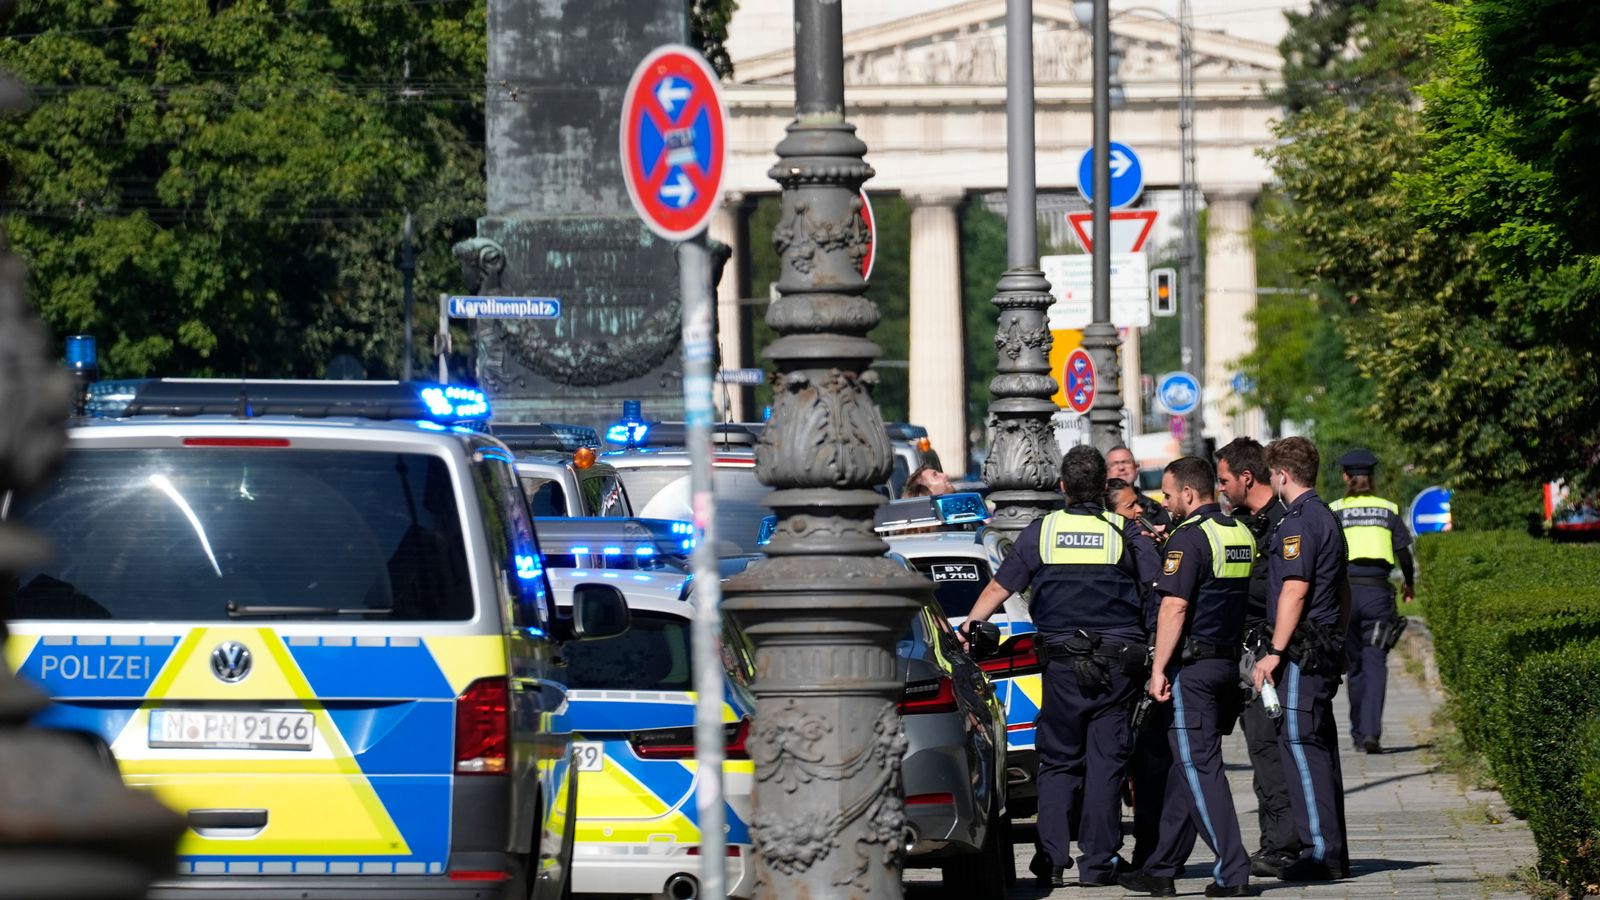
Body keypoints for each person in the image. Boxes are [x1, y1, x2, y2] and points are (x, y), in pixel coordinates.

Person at [960, 445, 1160, 888]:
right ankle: (1097, 864)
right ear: (1104, 487)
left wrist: (970, 626)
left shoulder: (1041, 532)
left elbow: (998, 586)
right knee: (1107, 764)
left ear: (1063, 486)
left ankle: (1050, 861)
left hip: (1063, 668)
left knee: (1059, 763)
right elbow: (1157, 590)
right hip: (1117, 668)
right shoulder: (1123, 532)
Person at [1120, 457, 1255, 897]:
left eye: (1169, 493)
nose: (1164, 500)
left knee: (1200, 767)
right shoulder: (1238, 532)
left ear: (1190, 495)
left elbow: (1175, 606)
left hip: (1192, 670)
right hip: (1225, 665)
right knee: (1186, 767)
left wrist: (1158, 668)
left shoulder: (1190, 538)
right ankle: (1161, 867)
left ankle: (1233, 871)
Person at [1250, 437, 1350, 882]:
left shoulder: (1297, 524)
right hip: (1323, 645)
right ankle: (1331, 849)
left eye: (1273, 474)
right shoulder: (1326, 515)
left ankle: (1320, 853)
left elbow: (1295, 590)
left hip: (1301, 652)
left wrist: (1274, 652)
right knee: (1319, 748)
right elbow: (1342, 591)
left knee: (1300, 745)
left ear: (1282, 475)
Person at [1214, 437, 1303, 876]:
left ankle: (1283, 845)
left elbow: (1275, 591)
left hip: (1269, 652)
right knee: (1262, 749)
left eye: (1225, 480)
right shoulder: (1253, 522)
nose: (1221, 488)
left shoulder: (1281, 524)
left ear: (1247, 478)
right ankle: (1279, 840)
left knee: (1269, 750)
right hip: (1255, 650)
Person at [1330, 448, 1415, 754]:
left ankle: (1355, 732)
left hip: (1347, 595)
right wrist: (1409, 583)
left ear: (1345, 477)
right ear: (1372, 478)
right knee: (1376, 663)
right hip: (1378, 592)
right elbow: (1404, 552)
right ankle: (1371, 734)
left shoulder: (1335, 509)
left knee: (1354, 665)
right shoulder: (1388, 509)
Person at [1108, 445, 1172, 531]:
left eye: (1126, 462)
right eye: (1115, 464)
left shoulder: (1154, 508)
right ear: (1106, 471)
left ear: (1137, 468)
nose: (1121, 468)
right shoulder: (1098, 508)